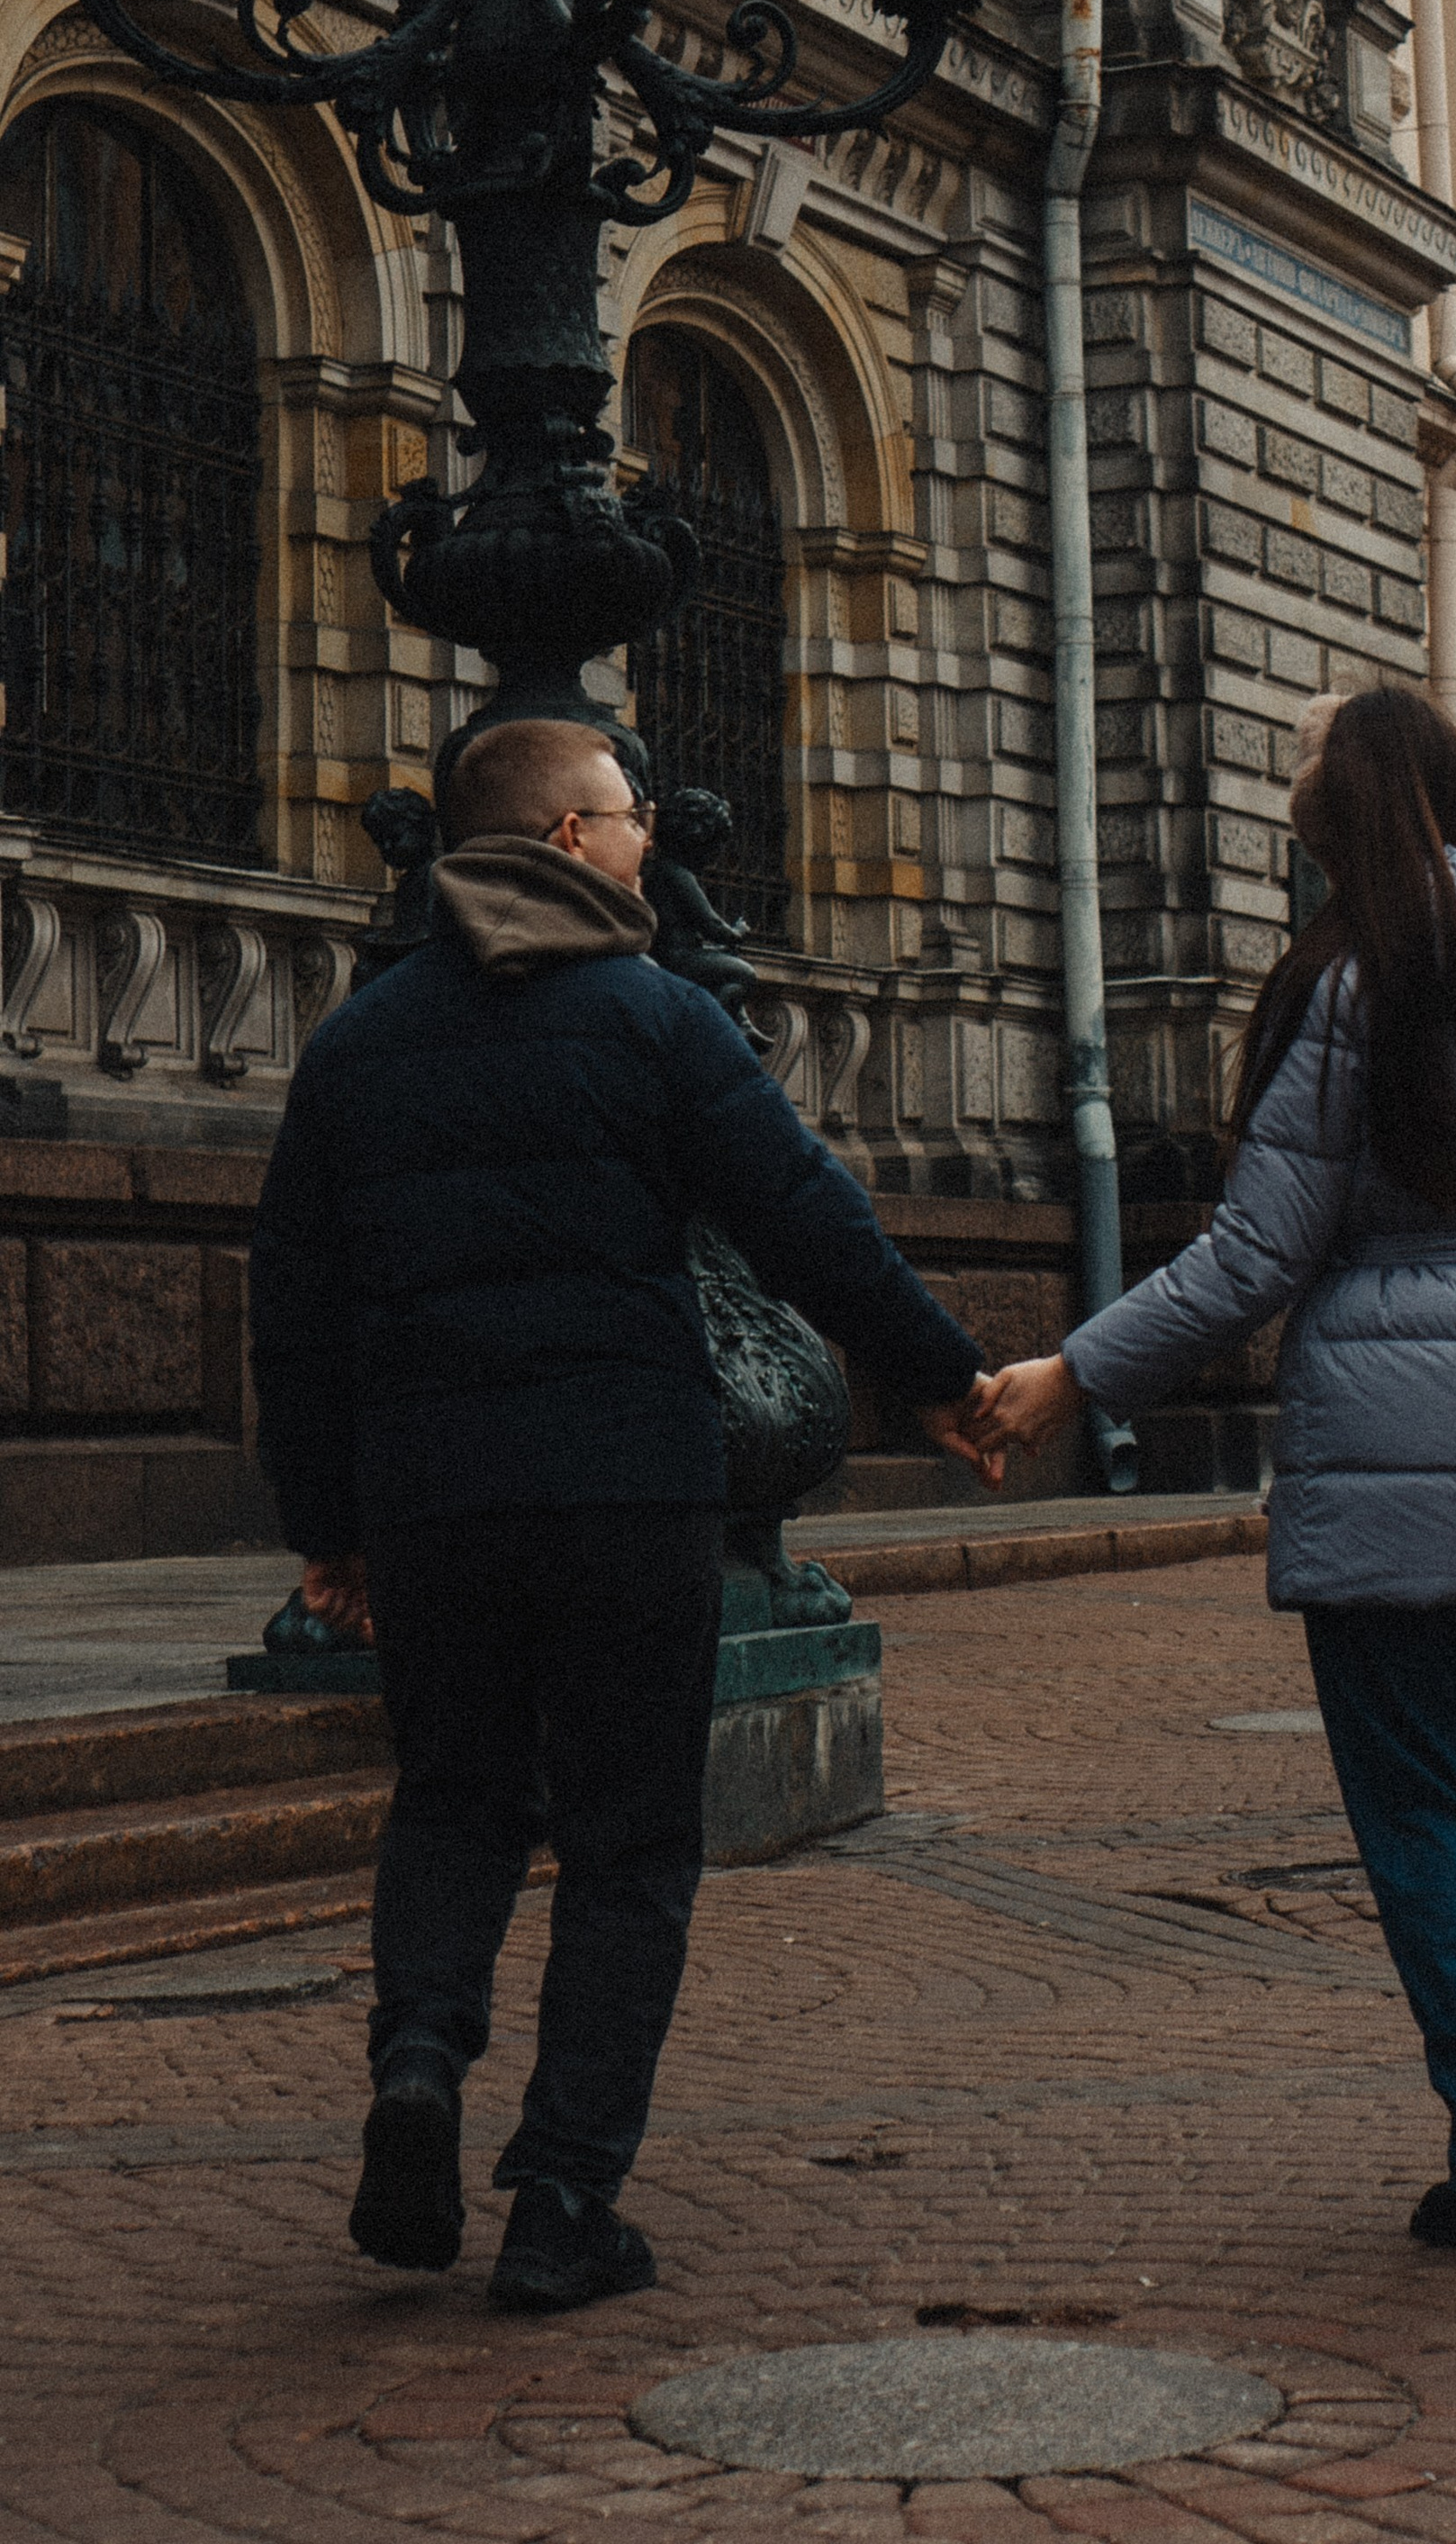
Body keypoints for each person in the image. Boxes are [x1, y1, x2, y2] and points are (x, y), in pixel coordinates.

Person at [251, 717, 993, 2313]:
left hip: (436, 1501)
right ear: (571, 842)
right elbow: (805, 1216)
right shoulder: (654, 1018)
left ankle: (422, 2065)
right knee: (628, 1844)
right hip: (629, 1489)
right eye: (631, 814)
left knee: (452, 1802)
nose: (652, 835)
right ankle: (565, 2197)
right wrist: (941, 1378)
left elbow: (294, 1311)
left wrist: (331, 1525)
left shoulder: (359, 1045)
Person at [965, 686, 1456, 2261]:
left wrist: (1074, 1372)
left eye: (1302, 764)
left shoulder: (1354, 990)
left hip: (1388, 1470)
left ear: (1342, 813)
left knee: (1428, 1809)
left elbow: (1254, 1260)